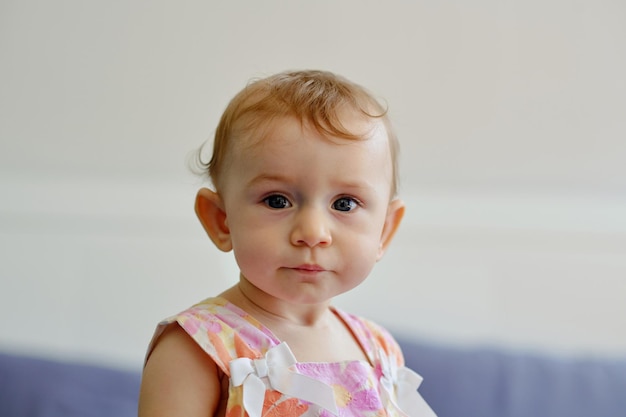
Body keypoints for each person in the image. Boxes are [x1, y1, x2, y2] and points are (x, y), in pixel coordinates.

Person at [138, 70, 437, 417]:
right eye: (277, 201)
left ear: (384, 231)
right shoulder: (198, 347)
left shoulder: (380, 350)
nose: (312, 232)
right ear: (221, 220)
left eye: (344, 204)